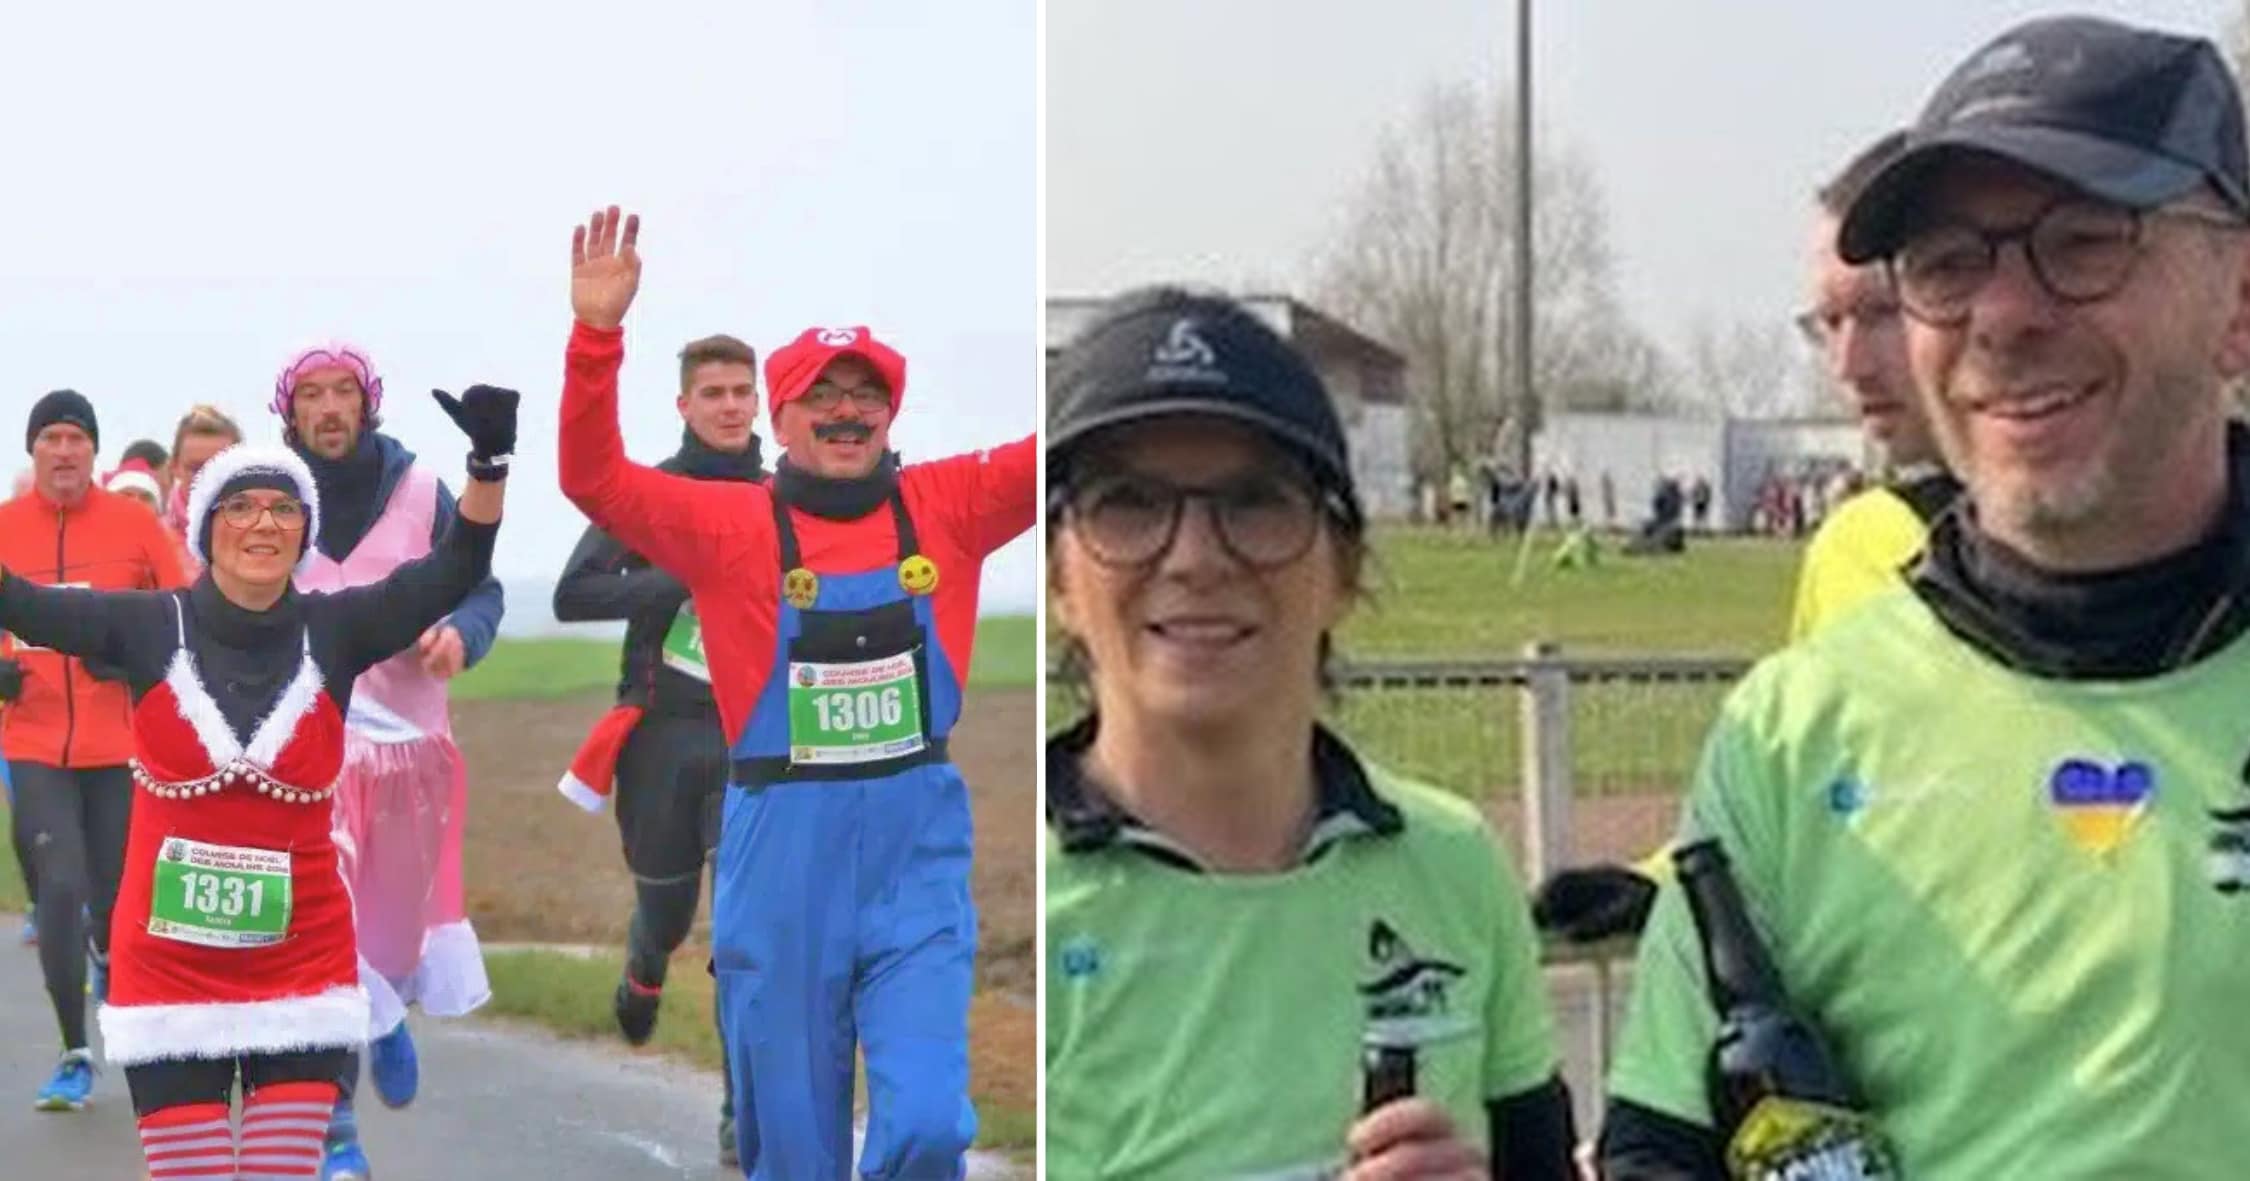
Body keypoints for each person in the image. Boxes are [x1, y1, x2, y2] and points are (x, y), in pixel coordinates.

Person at [1602, 16, 2250, 1177]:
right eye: (1949, 264)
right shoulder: (1786, 737)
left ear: (2240, 300)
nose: (2003, 316)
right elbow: (1672, 1151)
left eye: (2083, 239)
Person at [1043, 288, 1577, 1179]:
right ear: (1059, 574)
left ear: (1345, 566)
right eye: (1128, 502)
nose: (1194, 555)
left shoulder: (1454, 865)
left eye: (1257, 501)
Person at [558, 207, 1033, 1179]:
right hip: (778, 856)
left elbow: (1076, 444)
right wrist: (596, 337)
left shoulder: (949, 503)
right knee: (795, 1151)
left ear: (892, 414)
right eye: (823, 394)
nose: (848, 410)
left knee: (931, 1124)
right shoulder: (727, 524)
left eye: (868, 394)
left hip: (915, 856)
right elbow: (593, 478)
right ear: (779, 418)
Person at [0, 387, 512, 1180]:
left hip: (300, 958)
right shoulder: (146, 625)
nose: (263, 523)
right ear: (206, 528)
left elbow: (455, 569)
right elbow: (19, 601)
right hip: (168, 962)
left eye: (283, 508)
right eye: (240, 506)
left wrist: (489, 464)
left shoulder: (338, 628)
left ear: (305, 530)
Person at [265, 342, 505, 1179]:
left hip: (411, 754)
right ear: (288, 412)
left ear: (367, 403)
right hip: (306, 754)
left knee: (384, 943)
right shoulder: (271, 499)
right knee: (319, 939)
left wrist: (460, 633)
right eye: (311, 396)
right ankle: (338, 1131)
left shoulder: (419, 492)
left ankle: (389, 1013)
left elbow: (481, 583)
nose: (328, 408)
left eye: (343, 393)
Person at [551, 331, 766, 1168]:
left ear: (758, 402)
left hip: (753, 742)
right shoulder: (649, 494)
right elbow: (574, 594)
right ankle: (643, 968)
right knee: (670, 914)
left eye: (740, 391)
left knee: (742, 932)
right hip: (660, 742)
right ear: (684, 405)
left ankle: (737, 1108)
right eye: (711, 392)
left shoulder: (783, 493)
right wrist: (687, 576)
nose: (728, 405)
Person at [0, 389, 189, 1110]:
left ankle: (113, 963)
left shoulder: (134, 526)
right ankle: (75, 1050)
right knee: (60, 886)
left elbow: (180, 619)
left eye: (77, 437)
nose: (65, 449)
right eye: (51, 436)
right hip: (34, 741)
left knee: (114, 903)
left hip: (119, 746)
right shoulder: (4, 529)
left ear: (94, 453)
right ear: (33, 450)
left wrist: (131, 660)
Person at [164, 405, 245, 578]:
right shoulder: (151, 538)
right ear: (174, 467)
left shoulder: (265, 536)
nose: (208, 479)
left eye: (220, 468)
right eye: (195, 469)